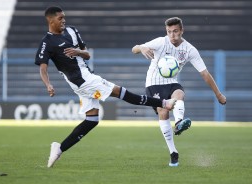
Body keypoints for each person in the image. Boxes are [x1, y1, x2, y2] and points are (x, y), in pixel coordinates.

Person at [35, 6, 177, 168]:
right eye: (60, 18)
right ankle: (164, 103)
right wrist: (48, 84)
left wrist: (78, 52)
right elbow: (43, 67)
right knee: (120, 92)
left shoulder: (72, 31)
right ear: (51, 20)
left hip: (86, 77)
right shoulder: (47, 42)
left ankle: (59, 148)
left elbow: (87, 54)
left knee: (92, 120)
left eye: (64, 17)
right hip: (83, 81)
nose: (64, 20)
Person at [132, 17, 226, 167]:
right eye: (169, 32)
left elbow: (204, 73)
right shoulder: (160, 42)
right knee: (164, 111)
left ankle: (179, 122)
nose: (172, 35)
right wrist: (142, 47)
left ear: (182, 31)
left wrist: (218, 94)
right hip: (153, 83)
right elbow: (134, 48)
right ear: (166, 32)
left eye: (175, 31)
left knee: (179, 95)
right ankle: (173, 152)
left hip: (171, 82)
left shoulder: (189, 50)